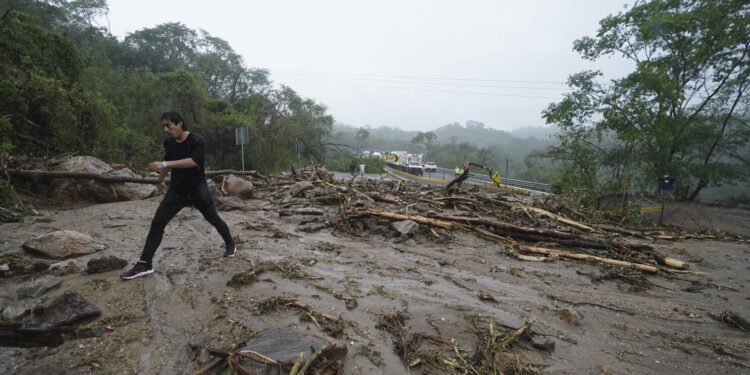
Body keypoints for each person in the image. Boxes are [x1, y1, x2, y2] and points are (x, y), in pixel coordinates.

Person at [120, 111, 236, 280]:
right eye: (164, 127)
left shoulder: (198, 140)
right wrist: (160, 180)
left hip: (198, 190)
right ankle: (144, 264)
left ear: (180, 123)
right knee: (157, 223)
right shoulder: (169, 143)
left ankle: (230, 244)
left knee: (214, 219)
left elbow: (193, 161)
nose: (166, 129)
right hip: (177, 191)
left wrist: (164, 163)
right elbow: (167, 163)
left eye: (169, 125)